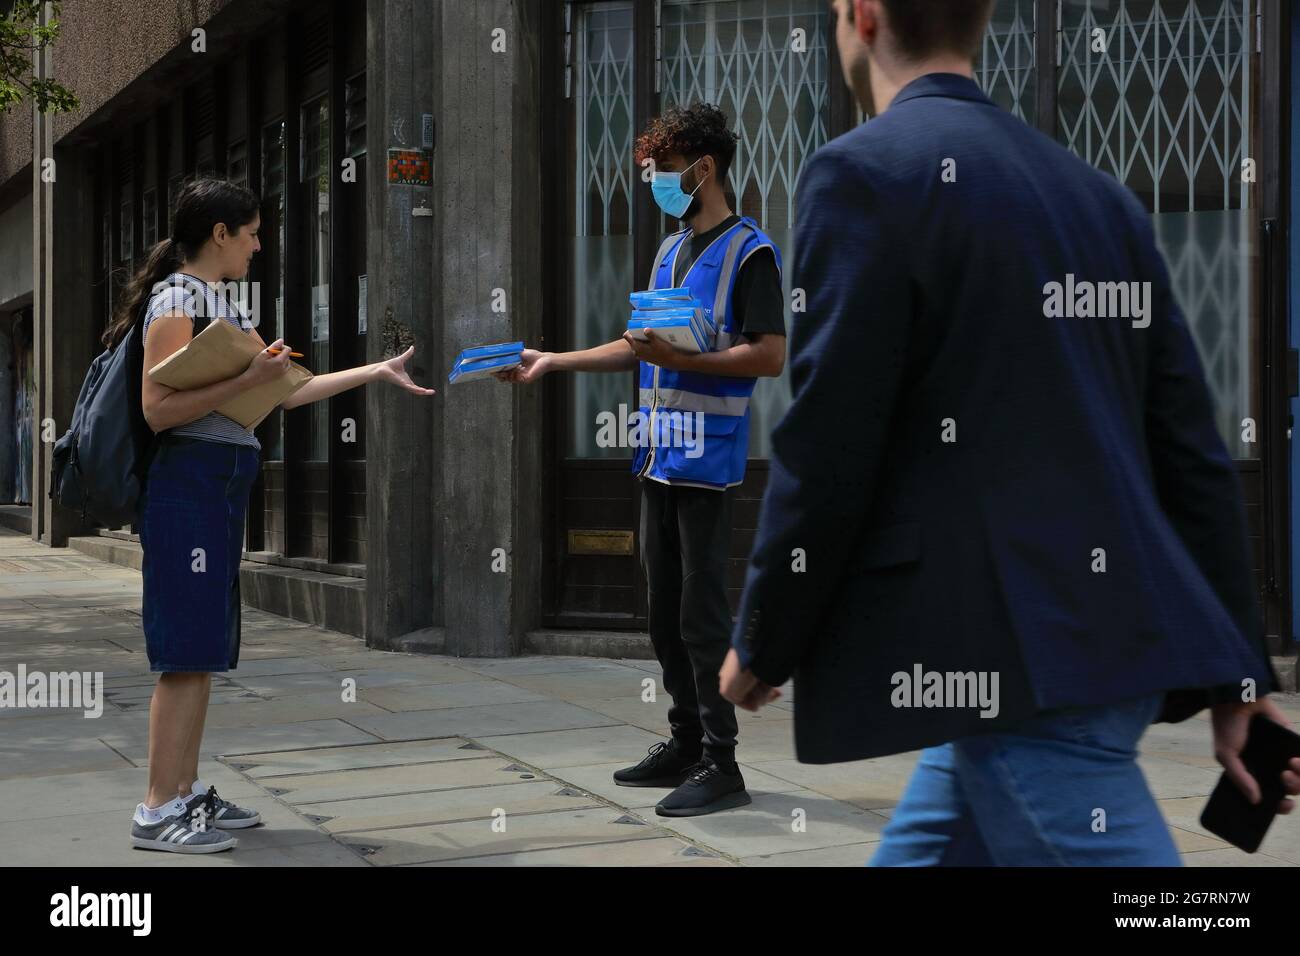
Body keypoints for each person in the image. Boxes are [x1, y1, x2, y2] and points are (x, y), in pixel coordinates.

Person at [719, 0, 1300, 864]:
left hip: (1023, 668)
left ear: (864, 16)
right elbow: (1192, 454)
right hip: (1064, 654)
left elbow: (829, 443)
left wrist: (766, 638)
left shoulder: (864, 174)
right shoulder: (1099, 196)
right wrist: (1239, 675)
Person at [111, 178, 435, 853]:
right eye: (252, 232)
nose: (259, 245)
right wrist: (244, 381)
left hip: (218, 485)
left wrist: (376, 372)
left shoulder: (216, 301)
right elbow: (156, 409)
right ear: (220, 234)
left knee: (204, 646)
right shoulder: (177, 298)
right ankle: (155, 809)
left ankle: (185, 793)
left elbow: (289, 391)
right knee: (184, 651)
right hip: (189, 485)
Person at [500, 104, 787, 816]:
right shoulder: (669, 251)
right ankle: (685, 742)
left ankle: (724, 764)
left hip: (708, 462)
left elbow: (771, 354)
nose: (658, 183)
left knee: (700, 613)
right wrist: (552, 361)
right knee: (663, 615)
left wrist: (688, 355)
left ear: (704, 168)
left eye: (665, 171)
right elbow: (637, 345)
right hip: (658, 456)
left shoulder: (751, 252)